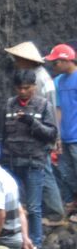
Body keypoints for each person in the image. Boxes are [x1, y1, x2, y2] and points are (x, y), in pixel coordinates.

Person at [0, 70, 59, 249]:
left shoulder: (43, 106)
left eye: (27, 88)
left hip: (33, 162)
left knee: (33, 207)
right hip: (10, 163)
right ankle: (11, 241)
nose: (23, 92)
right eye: (19, 88)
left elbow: (51, 134)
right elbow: (0, 134)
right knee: (11, 205)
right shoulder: (9, 105)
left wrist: (32, 123)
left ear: (34, 87)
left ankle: (35, 245)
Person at [6, 41, 65, 223]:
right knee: (45, 171)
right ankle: (50, 210)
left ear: (26, 60)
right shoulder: (43, 75)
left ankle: (55, 212)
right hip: (44, 130)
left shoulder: (36, 80)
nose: (15, 62)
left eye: (18, 59)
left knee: (45, 171)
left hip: (38, 134)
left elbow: (41, 108)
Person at [44, 44, 77, 214]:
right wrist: (56, 134)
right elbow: (57, 109)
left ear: (66, 60)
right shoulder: (57, 82)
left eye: (55, 63)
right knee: (67, 172)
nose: (53, 66)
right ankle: (73, 202)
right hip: (65, 136)